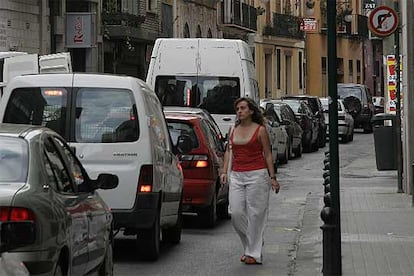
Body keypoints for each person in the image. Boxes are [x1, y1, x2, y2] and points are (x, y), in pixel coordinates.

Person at [220, 97, 280, 265]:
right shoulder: (232, 129)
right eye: (237, 108)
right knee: (236, 213)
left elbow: (267, 154)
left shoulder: (260, 130)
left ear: (251, 111)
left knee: (256, 214)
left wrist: (272, 177)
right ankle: (252, 245)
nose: (239, 111)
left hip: (257, 175)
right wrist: (224, 171)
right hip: (237, 175)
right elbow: (228, 152)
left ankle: (253, 253)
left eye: (243, 108)